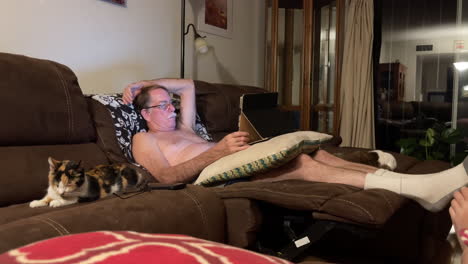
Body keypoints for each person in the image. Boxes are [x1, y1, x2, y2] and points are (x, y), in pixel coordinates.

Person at [122, 78, 468, 214]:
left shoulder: (183, 125)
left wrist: (143, 84)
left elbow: (186, 87)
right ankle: (423, 187)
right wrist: (217, 151)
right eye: (163, 105)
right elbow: (165, 177)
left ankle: (417, 187)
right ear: (145, 114)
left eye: (171, 103)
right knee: (302, 166)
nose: (172, 108)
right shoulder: (145, 139)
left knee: (314, 151)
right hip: (216, 174)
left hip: (231, 157)